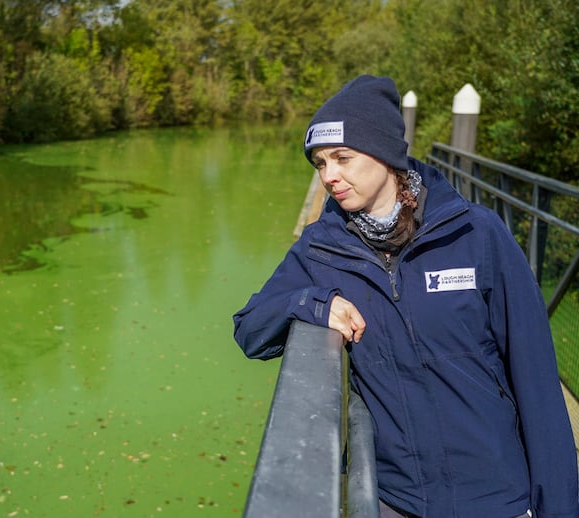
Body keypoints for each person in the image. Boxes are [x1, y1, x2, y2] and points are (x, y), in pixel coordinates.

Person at [232, 75, 579, 518]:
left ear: (385, 153)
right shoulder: (321, 247)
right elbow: (250, 329)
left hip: (497, 495)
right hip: (396, 500)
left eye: (342, 158)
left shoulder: (476, 234)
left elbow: (537, 383)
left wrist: (560, 507)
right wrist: (314, 304)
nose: (328, 176)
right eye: (319, 163)